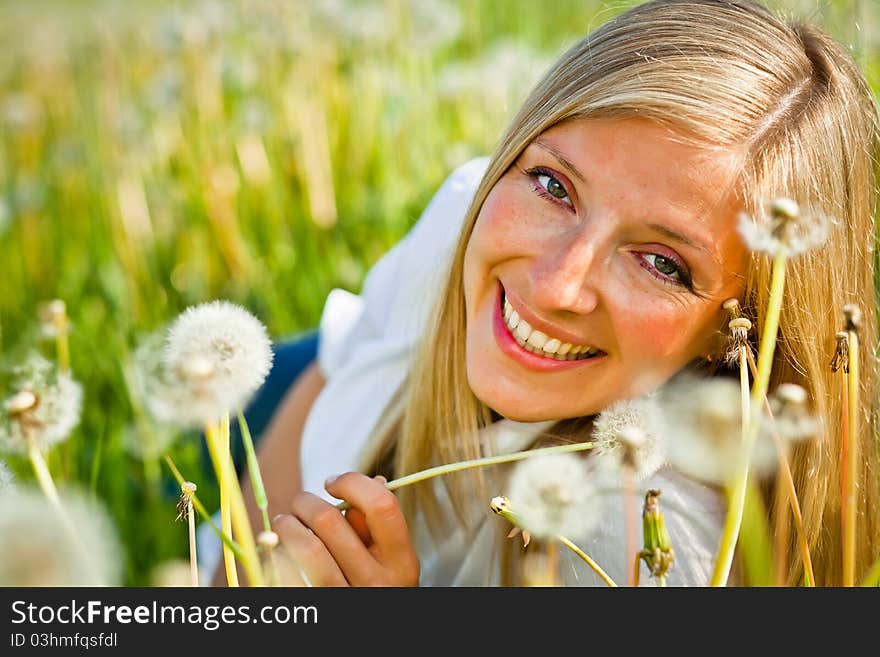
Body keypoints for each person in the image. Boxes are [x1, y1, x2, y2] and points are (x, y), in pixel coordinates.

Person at [206, 0, 880, 586]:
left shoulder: (638, 544)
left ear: (740, 336)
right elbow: (333, 370)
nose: (558, 283)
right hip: (375, 350)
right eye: (555, 186)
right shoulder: (466, 217)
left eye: (659, 262)